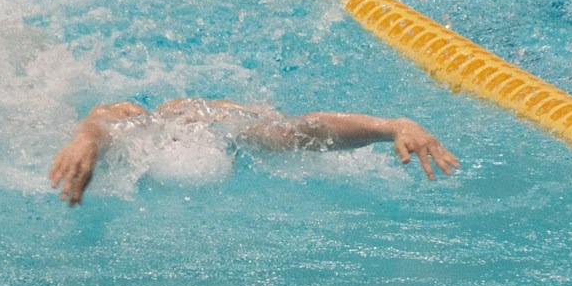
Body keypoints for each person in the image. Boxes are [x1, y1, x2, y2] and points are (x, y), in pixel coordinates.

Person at [49, 97, 458, 206]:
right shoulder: (146, 126)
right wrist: (86, 140)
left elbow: (305, 130)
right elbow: (101, 121)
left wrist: (392, 127)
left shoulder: (227, 129)